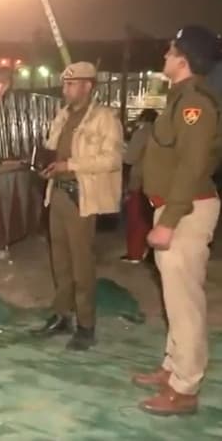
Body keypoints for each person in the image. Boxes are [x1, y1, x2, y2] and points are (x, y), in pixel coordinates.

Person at [133, 25, 222, 416]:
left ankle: (185, 388)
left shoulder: (194, 104)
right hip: (176, 207)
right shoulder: (180, 98)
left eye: (170, 51)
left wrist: (168, 220)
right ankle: (173, 368)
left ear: (183, 60)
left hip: (185, 210)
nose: (165, 56)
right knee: (174, 297)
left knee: (185, 303)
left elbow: (192, 166)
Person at [32, 61, 123, 350]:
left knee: (82, 264)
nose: (65, 89)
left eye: (71, 85)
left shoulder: (104, 118)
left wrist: (70, 165)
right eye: (65, 84)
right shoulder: (64, 115)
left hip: (81, 197)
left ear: (87, 86)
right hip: (58, 193)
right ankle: (62, 315)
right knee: (60, 262)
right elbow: (53, 149)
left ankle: (86, 325)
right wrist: (47, 165)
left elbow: (113, 159)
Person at [121, 109, 158, 263]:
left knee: (136, 219)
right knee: (151, 219)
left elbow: (130, 158)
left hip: (140, 181)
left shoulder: (142, 133)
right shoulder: (162, 133)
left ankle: (135, 253)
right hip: (158, 183)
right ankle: (151, 253)